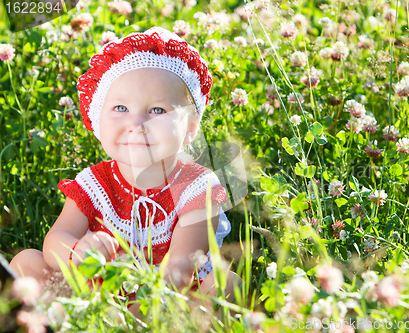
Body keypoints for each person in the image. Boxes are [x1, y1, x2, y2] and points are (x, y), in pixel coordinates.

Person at [9, 26, 240, 318]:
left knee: (225, 286)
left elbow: (179, 270)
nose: (136, 123)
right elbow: (57, 237)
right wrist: (76, 252)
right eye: (120, 107)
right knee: (27, 261)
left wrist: (132, 306)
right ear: (96, 117)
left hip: (166, 299)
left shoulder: (197, 188)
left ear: (191, 128)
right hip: (98, 291)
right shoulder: (95, 183)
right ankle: (76, 317)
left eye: (157, 110)